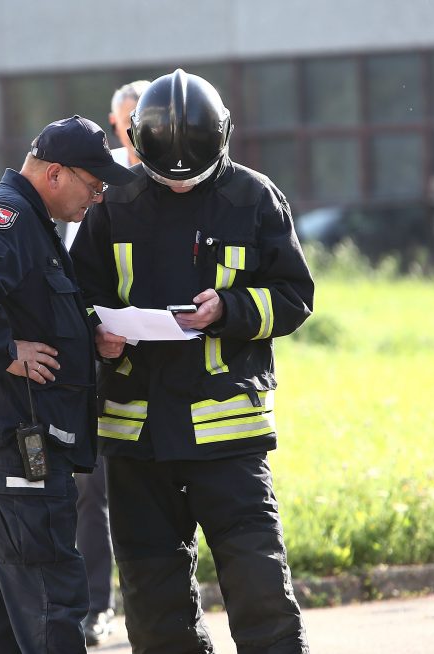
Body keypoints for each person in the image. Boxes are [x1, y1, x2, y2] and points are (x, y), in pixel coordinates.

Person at [70, 69, 314, 653]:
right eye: (164, 175)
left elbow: (294, 296)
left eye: (192, 176)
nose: (179, 185)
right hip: (138, 437)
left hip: (228, 436)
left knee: (258, 585)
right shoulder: (115, 204)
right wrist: (98, 334)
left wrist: (228, 309)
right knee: (153, 601)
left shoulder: (254, 197)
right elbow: (75, 295)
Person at [0, 115, 136, 653]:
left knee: (8, 605)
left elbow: (32, 306)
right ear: (55, 174)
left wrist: (87, 335)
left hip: (17, 442)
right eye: (92, 187)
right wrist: (5, 351)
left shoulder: (33, 220)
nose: (95, 200)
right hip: (20, 445)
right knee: (52, 596)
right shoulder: (11, 217)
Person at [68, 78, 149, 648]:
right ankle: (98, 605)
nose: (137, 132)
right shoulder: (100, 184)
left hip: (173, 364)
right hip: (100, 357)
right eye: (128, 123)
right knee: (89, 486)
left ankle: (155, 602)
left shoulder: (196, 181)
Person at [65, 80, 149, 250]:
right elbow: (76, 246)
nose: (138, 131)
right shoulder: (99, 170)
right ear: (114, 122)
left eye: (148, 122)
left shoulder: (180, 175)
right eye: (129, 121)